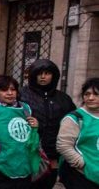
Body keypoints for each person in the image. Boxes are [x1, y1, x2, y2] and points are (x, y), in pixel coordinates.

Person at [21, 59, 76, 188]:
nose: (43, 77)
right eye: (39, 73)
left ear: (54, 76)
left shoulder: (63, 99)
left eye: (47, 73)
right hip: (27, 152)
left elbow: (73, 123)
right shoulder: (22, 95)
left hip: (52, 155)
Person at [57, 78, 99, 188]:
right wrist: (82, 164)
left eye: (96, 94)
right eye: (87, 94)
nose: (91, 98)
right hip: (81, 175)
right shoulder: (75, 118)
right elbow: (64, 146)